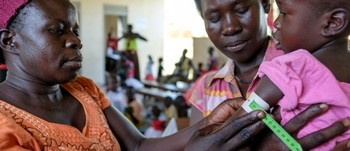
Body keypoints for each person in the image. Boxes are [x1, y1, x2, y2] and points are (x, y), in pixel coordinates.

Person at [0, 0, 348, 150]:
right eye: (58, 30)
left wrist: (210, 123)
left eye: (74, 29)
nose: (76, 40)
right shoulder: (6, 126)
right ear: (10, 41)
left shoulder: (85, 90)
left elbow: (137, 145)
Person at [189, 0, 350, 150]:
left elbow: (210, 142)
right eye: (215, 18)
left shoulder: (288, 68)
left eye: (241, 10)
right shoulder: (205, 88)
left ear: (265, 3)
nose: (230, 28)